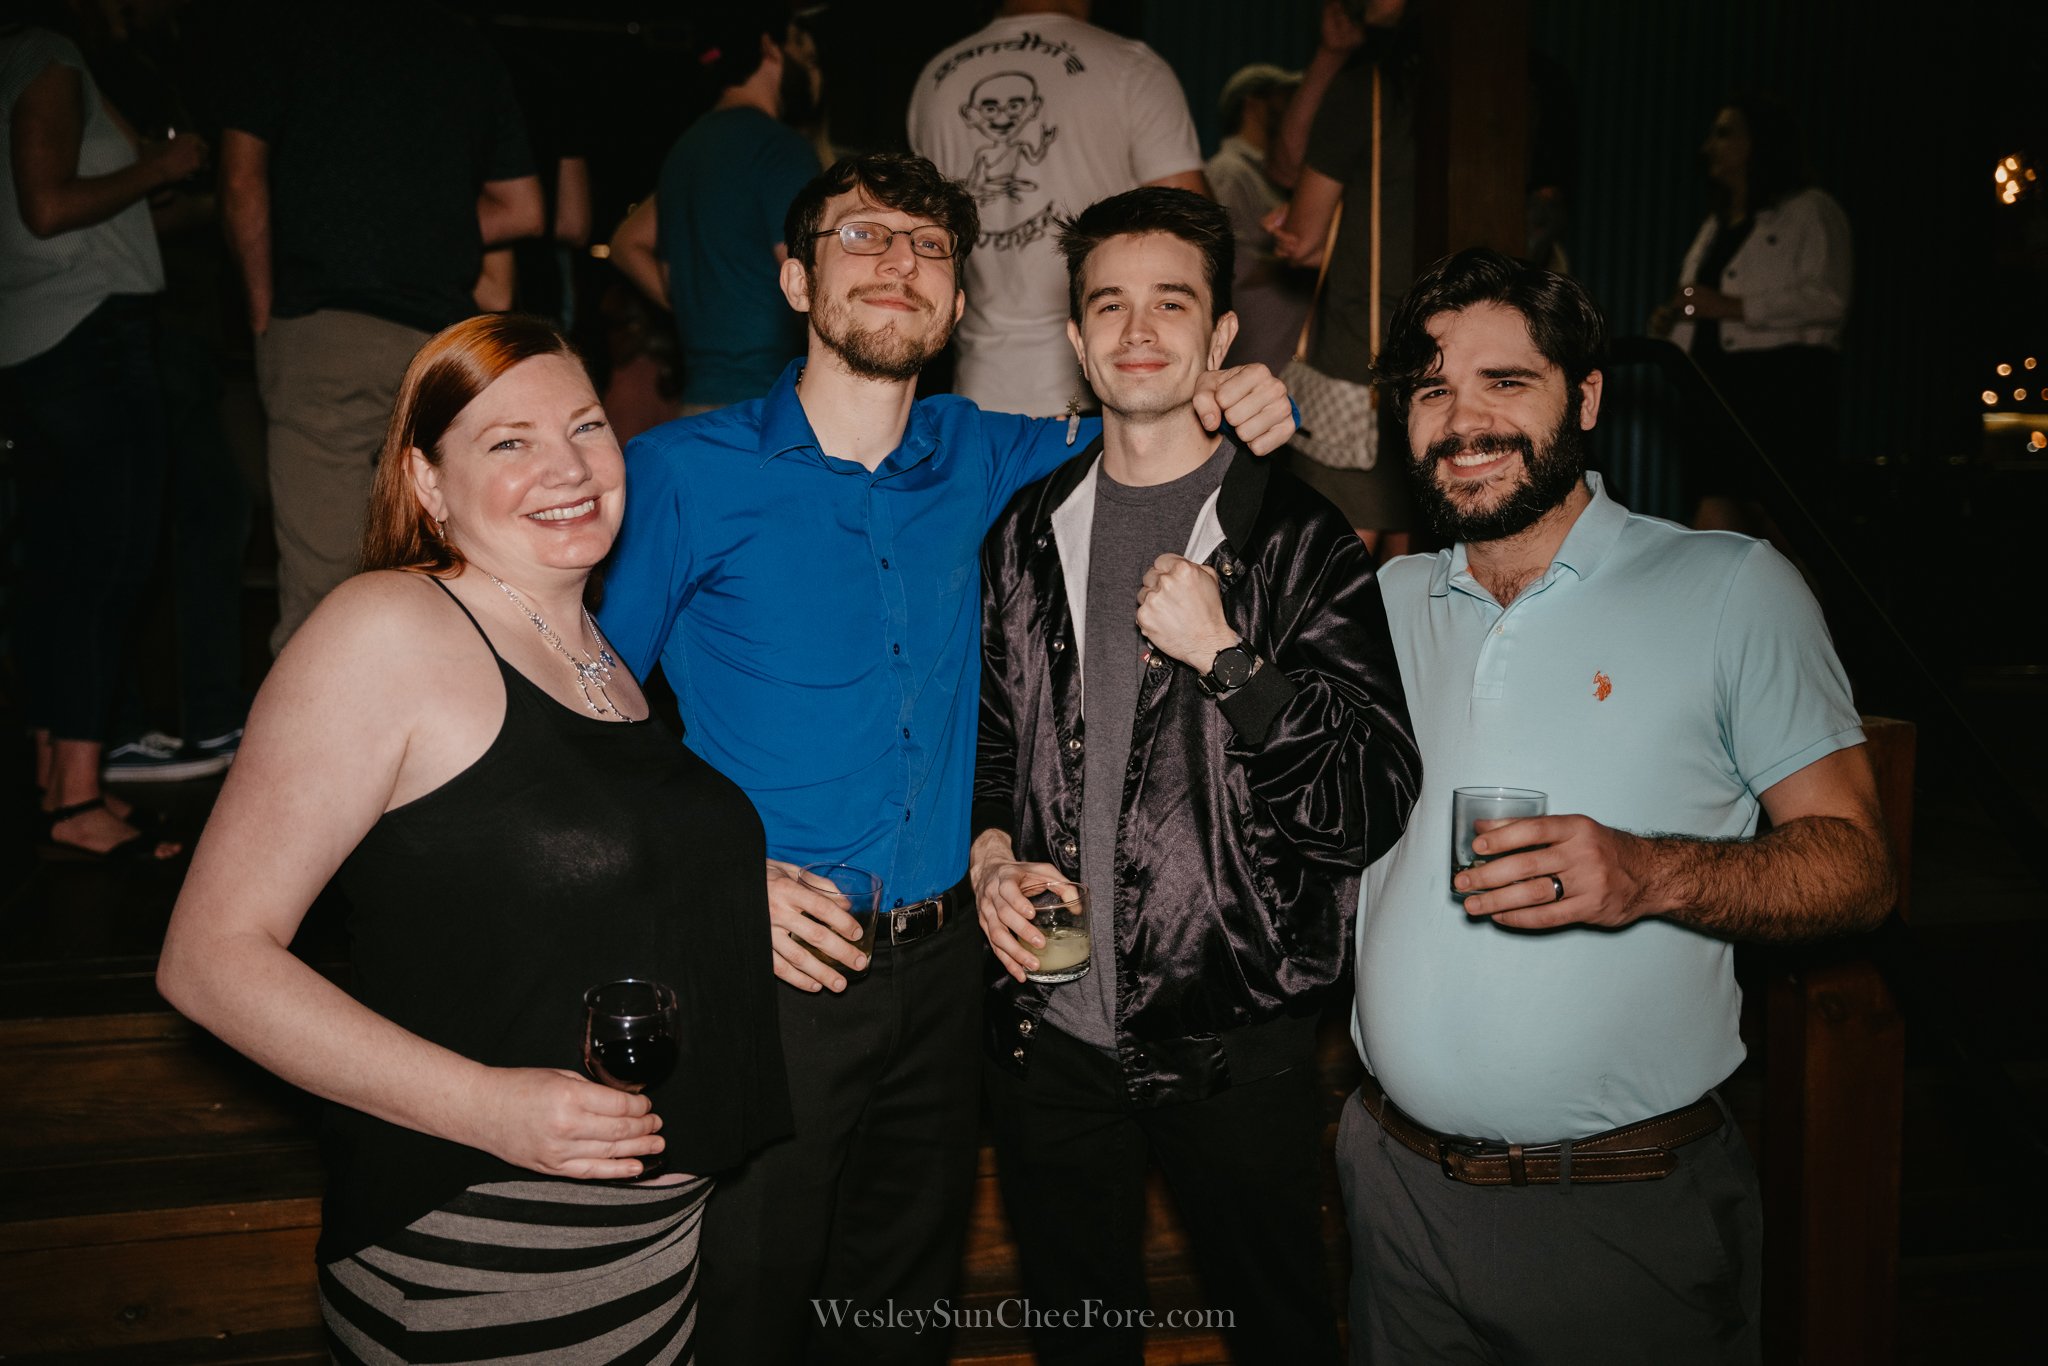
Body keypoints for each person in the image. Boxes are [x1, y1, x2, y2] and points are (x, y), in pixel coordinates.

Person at [598, 153, 1296, 1366]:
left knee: (898, 1316)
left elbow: (1145, 418)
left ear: (958, 305)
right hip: (772, 970)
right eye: (860, 237)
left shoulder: (996, 456)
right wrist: (712, 880)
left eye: (926, 247)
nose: (896, 262)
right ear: (793, 278)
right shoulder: (679, 472)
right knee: (747, 1315)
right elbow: (580, 718)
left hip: (952, 975)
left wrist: (1239, 400)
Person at [156, 313, 789, 1362]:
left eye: (587, 427)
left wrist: (728, 884)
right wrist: (488, 1107)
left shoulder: (594, 651)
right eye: (510, 441)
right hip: (485, 1253)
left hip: (644, 1255)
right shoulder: (387, 628)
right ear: (428, 480)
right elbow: (209, 959)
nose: (569, 466)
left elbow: (530, 860)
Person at [1342, 247, 1895, 1364]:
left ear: (1584, 397)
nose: (1462, 420)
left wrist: (1649, 870)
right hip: (1391, 1193)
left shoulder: (1730, 585)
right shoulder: (1379, 604)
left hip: (1618, 1206)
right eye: (1432, 388)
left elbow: (1855, 865)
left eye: (1506, 382)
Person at [970, 187, 1421, 1364]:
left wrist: (1227, 659)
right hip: (1050, 1040)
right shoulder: (1024, 530)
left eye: (1170, 303)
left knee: (1278, 1332)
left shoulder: (1294, 537)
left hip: (1234, 1044)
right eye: (1106, 305)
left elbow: (1369, 797)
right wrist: (987, 855)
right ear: (1071, 340)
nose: (1135, 330)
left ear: (1222, 337)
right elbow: (998, 746)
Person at [219, 1, 542, 652]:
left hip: (324, 330)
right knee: (450, 581)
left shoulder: (284, 27)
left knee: (322, 599)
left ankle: (330, 746)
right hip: (442, 351)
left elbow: (240, 179)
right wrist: (426, 225)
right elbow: (525, 209)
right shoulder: (466, 49)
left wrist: (262, 315)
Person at [3, 18, 204, 860]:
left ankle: (56, 779)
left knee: (56, 567)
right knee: (106, 565)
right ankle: (77, 799)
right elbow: (46, 206)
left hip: (35, 341)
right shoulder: (46, 55)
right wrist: (165, 163)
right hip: (87, 333)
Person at [908, 0, 1206, 417]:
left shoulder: (936, 77)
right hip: (1105, 386)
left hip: (977, 388)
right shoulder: (1129, 66)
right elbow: (1194, 234)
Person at [1650, 94, 1852, 534]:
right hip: (1714, 391)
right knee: (1713, 520)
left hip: (1781, 389)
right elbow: (1695, 300)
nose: (1709, 148)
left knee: (1786, 526)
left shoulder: (1811, 210)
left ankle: (1804, 603)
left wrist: (1732, 307)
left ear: (1761, 142)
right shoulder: (1715, 224)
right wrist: (1671, 323)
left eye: (1724, 134)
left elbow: (1829, 299)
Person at [607, 7, 823, 414]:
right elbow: (809, 279)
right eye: (804, 53)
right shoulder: (781, 148)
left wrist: (696, 305)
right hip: (769, 404)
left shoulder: (686, 150)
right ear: (769, 48)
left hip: (698, 402)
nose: (815, 74)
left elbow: (625, 242)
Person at [1268, 0, 1418, 558]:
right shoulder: (1515, 83)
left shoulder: (1369, 92)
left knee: (1340, 559)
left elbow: (1301, 231)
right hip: (1461, 349)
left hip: (1366, 349)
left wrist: (1331, 58)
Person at [1205, 63, 1314, 374]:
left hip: (1281, 354)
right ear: (1252, 104)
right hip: (1257, 354)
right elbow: (1230, 263)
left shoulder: (1269, 175)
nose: (1295, 108)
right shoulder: (1229, 172)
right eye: (1284, 98)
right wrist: (1305, 255)